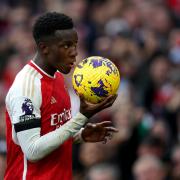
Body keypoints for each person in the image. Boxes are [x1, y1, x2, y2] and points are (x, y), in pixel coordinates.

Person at [4, 12, 118, 180]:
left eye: (75, 45)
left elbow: (53, 131)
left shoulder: (57, 77)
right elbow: (32, 150)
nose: (74, 53)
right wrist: (82, 118)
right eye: (66, 46)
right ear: (44, 48)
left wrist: (80, 135)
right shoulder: (26, 88)